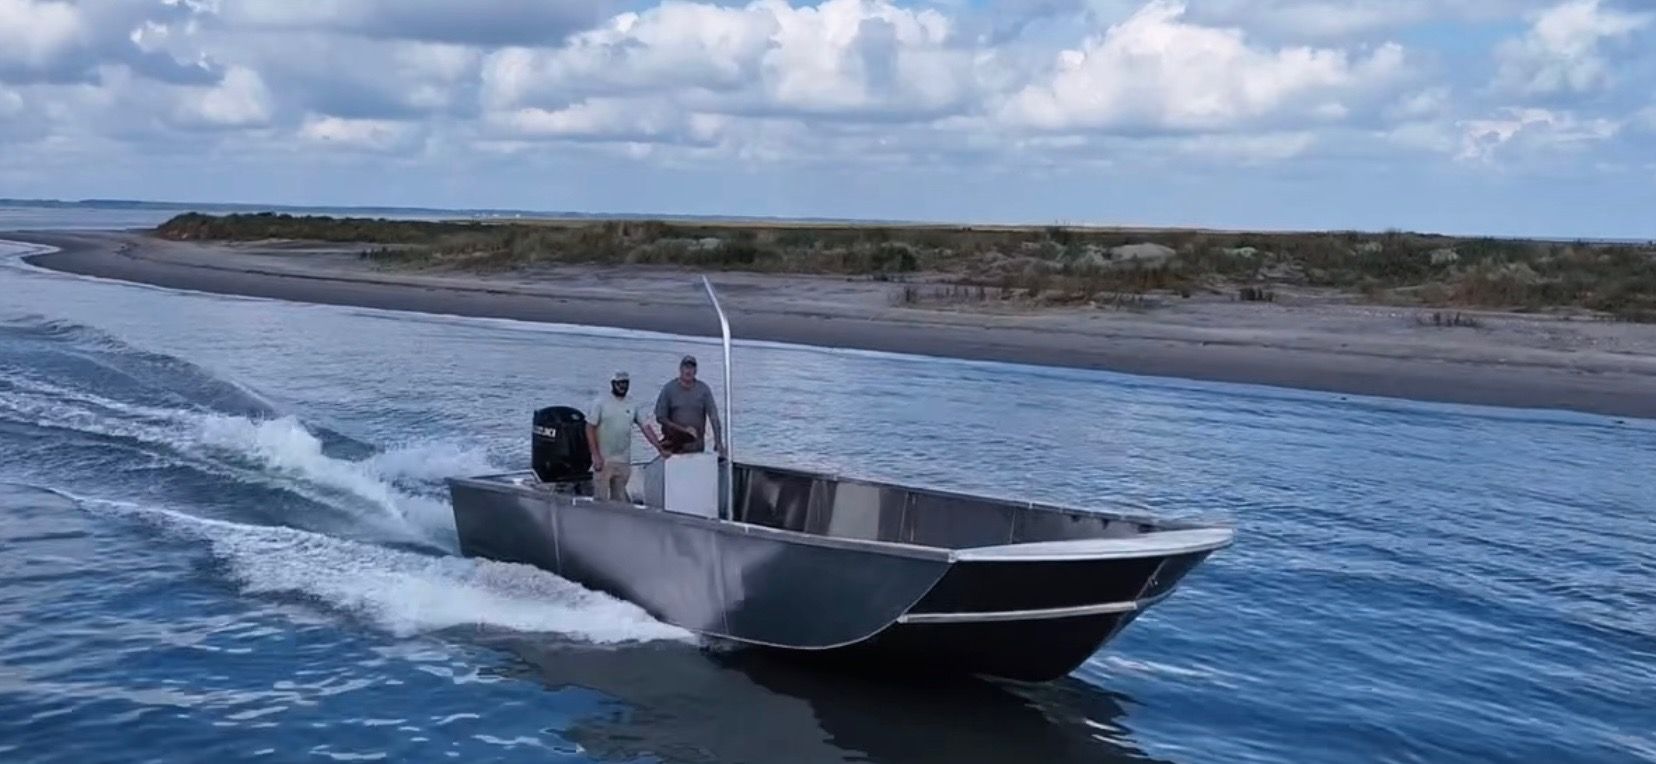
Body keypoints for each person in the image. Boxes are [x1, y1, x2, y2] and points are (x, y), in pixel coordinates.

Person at [586, 370, 665, 501]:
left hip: (623, 461)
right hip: (603, 461)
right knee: (600, 500)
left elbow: (645, 427)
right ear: (613, 384)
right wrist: (595, 455)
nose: (623, 386)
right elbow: (589, 428)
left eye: (625, 383)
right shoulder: (600, 402)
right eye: (619, 383)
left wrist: (659, 446)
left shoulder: (632, 404)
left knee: (620, 500)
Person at [654, 354, 724, 456]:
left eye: (692, 368)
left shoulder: (704, 390)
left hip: (697, 448)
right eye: (686, 367)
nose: (688, 371)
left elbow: (714, 417)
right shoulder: (668, 389)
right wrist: (682, 431)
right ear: (680, 369)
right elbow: (660, 417)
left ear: (696, 371)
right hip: (674, 449)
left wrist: (718, 442)